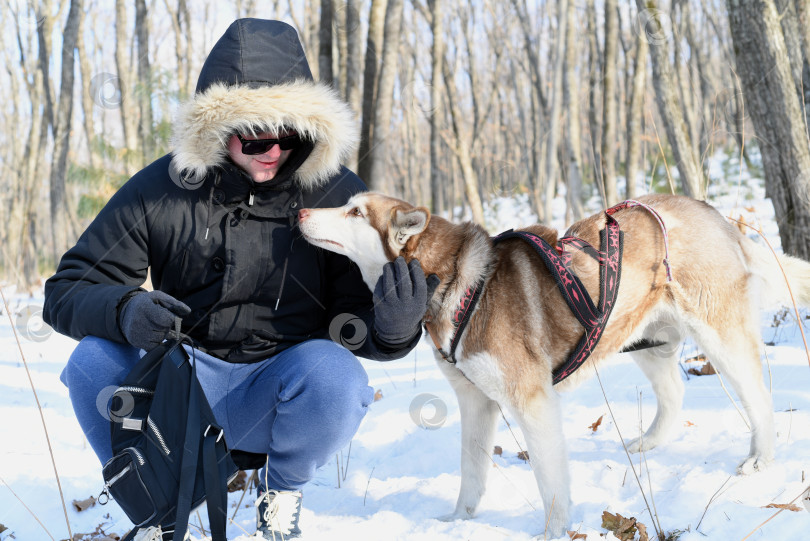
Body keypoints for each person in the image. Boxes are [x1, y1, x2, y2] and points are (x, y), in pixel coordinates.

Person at [43, 18, 436, 540]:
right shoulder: (164, 187)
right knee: (92, 361)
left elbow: (352, 318)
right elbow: (67, 288)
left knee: (338, 379)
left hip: (278, 388)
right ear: (217, 131)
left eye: (288, 136)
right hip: (181, 389)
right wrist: (125, 311)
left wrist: (393, 329)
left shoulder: (335, 193)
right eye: (253, 140)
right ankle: (154, 493)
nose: (271, 151)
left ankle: (281, 493)